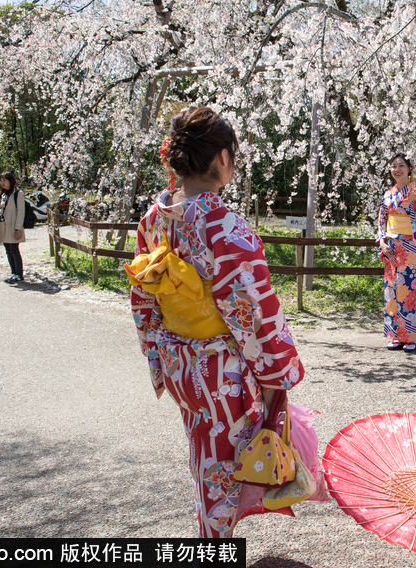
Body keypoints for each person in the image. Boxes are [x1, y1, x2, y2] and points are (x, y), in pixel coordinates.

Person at [127, 107, 308, 537]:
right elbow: (255, 313)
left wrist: (158, 356)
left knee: (206, 460)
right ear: (223, 158)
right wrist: (274, 379)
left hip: (178, 361)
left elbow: (142, 300)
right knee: (222, 482)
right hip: (220, 374)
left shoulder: (153, 220)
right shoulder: (224, 227)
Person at [375, 153, 416, 352]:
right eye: (393, 166)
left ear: (409, 168)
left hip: (410, 245)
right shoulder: (388, 194)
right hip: (390, 246)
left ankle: (410, 337)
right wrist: (381, 242)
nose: (397, 169)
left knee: (409, 289)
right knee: (391, 289)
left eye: (401, 165)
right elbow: (382, 221)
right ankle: (394, 335)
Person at [0, 172, 26, 283]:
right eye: (1, 180)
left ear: (11, 181)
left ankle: (19, 274)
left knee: (14, 249)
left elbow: (20, 212)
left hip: (13, 225)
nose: (2, 183)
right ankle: (13, 272)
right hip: (3, 225)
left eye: (5, 180)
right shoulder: (1, 194)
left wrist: (18, 229)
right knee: (8, 249)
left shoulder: (18, 193)